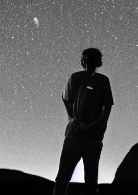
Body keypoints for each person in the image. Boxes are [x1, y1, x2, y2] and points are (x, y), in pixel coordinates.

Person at [53, 48, 114, 195]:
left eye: (90, 58)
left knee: (91, 181)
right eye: (85, 58)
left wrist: (94, 127)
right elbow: (67, 100)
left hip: (93, 138)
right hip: (74, 135)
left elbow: (107, 109)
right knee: (62, 178)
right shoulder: (74, 78)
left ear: (98, 61)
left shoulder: (102, 81)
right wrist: (73, 120)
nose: (86, 61)